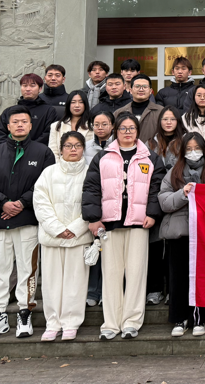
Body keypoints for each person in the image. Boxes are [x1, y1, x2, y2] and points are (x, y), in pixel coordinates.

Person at [82, 114, 166, 340]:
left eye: (131, 128)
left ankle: (131, 321)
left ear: (137, 131)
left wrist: (152, 213)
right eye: (123, 128)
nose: (127, 132)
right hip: (110, 223)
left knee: (136, 273)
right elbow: (91, 188)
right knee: (111, 274)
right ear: (115, 131)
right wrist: (93, 218)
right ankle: (111, 323)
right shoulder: (103, 157)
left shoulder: (151, 158)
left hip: (139, 223)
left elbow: (156, 188)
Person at [0, 105, 56, 341]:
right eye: (15, 122)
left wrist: (21, 203)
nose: (20, 125)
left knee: (28, 270)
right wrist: (3, 204)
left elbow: (45, 184)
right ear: (8, 126)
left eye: (24, 121)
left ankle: (24, 313)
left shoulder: (43, 153)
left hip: (28, 221)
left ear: (31, 125)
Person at [32, 131, 94, 341]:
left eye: (77, 145)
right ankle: (52, 323)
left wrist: (75, 228)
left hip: (78, 238)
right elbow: (41, 203)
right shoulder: (48, 173)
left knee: (75, 283)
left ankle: (71, 323)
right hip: (52, 238)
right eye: (68, 145)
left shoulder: (90, 173)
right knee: (51, 284)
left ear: (83, 149)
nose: (73, 149)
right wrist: (57, 228)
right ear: (61, 149)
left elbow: (93, 204)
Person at [158, 132, 205, 338]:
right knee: (178, 277)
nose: (193, 153)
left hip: (204, 234)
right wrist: (182, 194)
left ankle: (198, 318)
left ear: (204, 150)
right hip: (179, 233)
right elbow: (164, 201)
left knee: (201, 278)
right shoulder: (173, 172)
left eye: (197, 148)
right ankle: (179, 318)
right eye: (189, 149)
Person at [144, 106, 187, 306]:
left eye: (172, 119)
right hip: (153, 197)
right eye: (165, 119)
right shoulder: (150, 143)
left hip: (176, 198)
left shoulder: (185, 142)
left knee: (173, 249)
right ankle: (154, 289)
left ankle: (172, 290)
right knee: (154, 247)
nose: (168, 122)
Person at [84, 111, 114, 307]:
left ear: (112, 125)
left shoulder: (119, 145)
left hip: (113, 203)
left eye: (104, 124)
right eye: (97, 124)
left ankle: (107, 291)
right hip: (93, 201)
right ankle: (93, 291)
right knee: (95, 248)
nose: (100, 128)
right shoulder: (86, 147)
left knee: (111, 252)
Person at [0, 73, 60, 146]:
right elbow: (1, 134)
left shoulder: (49, 111)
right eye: (25, 86)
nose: (28, 89)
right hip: (12, 151)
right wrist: (12, 148)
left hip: (39, 151)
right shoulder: (8, 111)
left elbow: (48, 134)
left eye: (32, 86)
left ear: (40, 89)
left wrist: (31, 148)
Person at [114, 74, 164, 143]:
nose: (141, 89)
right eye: (137, 86)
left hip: (152, 149)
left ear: (150, 91)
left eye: (145, 87)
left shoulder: (161, 112)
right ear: (130, 90)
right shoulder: (119, 113)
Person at [48, 90, 94, 159]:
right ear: (68, 105)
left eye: (81, 102)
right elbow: (53, 151)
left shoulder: (92, 126)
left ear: (85, 105)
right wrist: (60, 164)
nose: (77, 105)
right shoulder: (56, 126)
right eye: (73, 102)